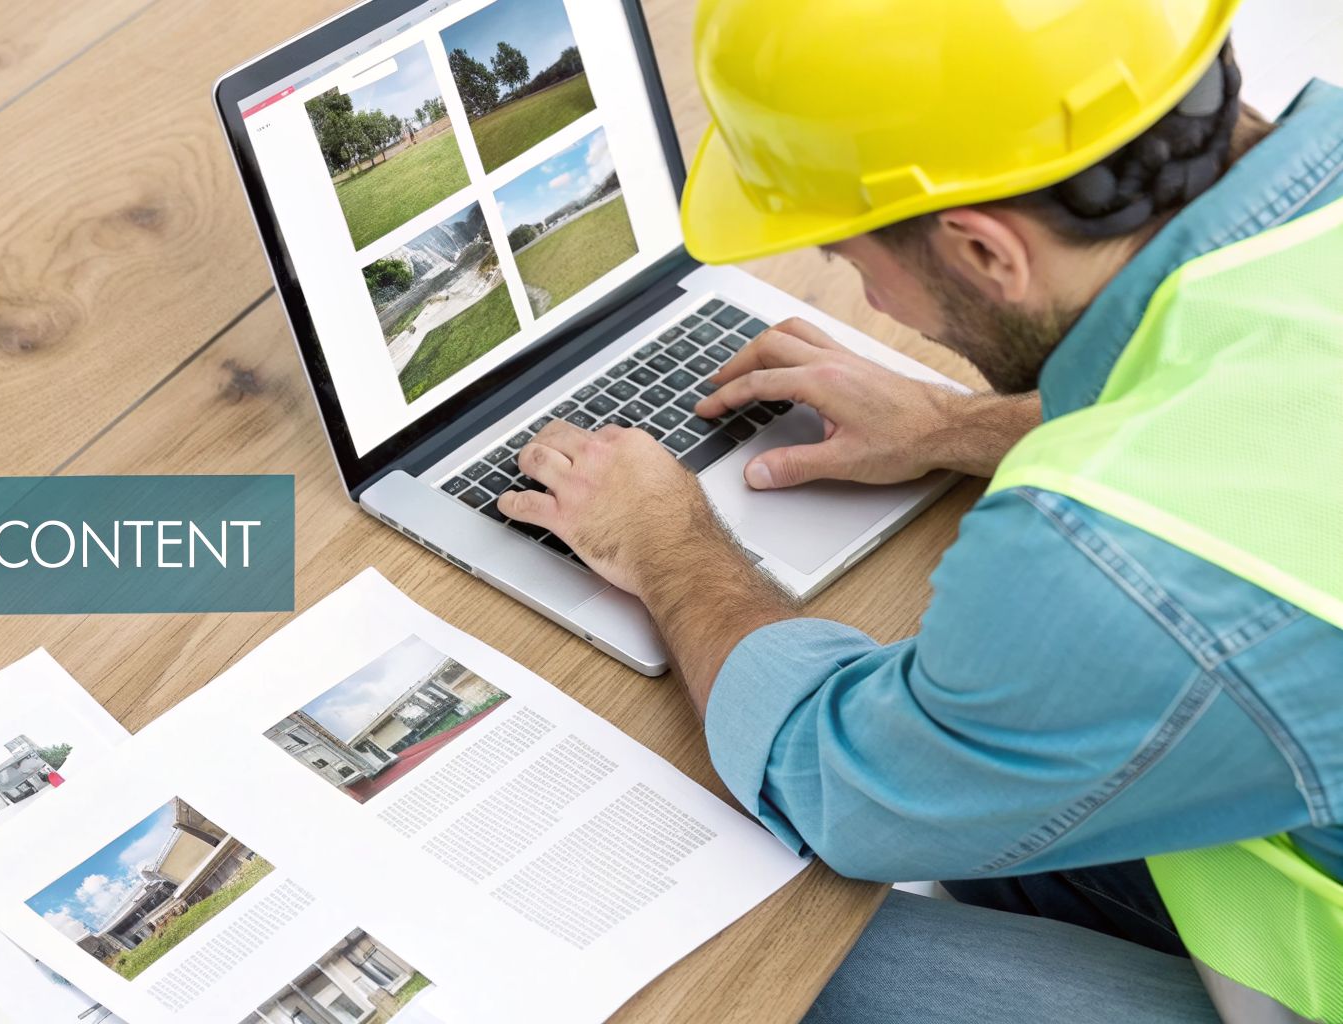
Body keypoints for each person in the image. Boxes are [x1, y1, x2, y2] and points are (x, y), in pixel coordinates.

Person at [495, 1, 1343, 1020]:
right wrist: (954, 426)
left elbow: (840, 787)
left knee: (764, 956)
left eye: (852, 264)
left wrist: (665, 541)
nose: (876, 307)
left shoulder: (1111, 559)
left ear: (986, 251)